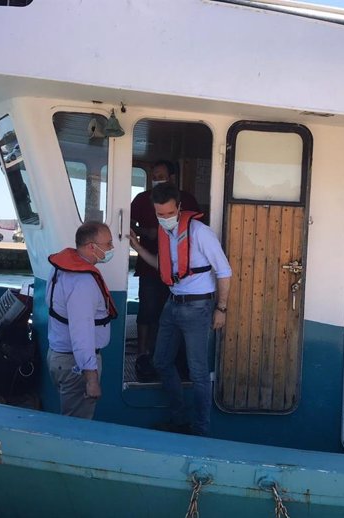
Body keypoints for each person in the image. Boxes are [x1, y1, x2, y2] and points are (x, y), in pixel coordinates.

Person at [129, 182, 231, 436]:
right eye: (159, 215)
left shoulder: (200, 232)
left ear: (180, 207)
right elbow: (161, 266)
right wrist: (138, 247)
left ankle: (200, 430)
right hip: (172, 304)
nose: (164, 219)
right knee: (161, 362)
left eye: (168, 214)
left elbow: (225, 271)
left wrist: (221, 308)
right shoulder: (168, 234)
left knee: (198, 372)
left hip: (198, 307)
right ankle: (179, 419)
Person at [130, 160, 199, 381]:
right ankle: (142, 354)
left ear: (172, 178)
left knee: (173, 317)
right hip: (149, 267)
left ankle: (174, 360)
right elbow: (127, 223)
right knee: (147, 310)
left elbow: (195, 227)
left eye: (160, 175)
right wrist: (145, 231)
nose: (155, 178)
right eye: (153, 174)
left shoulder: (187, 200)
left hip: (180, 272)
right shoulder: (141, 199)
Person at [46, 221, 117, 419]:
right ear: (91, 247)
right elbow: (82, 332)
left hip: (58, 357)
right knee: (76, 426)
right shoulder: (82, 282)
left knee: (69, 418)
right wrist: (91, 377)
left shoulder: (59, 269)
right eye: (108, 243)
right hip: (74, 365)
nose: (112, 248)